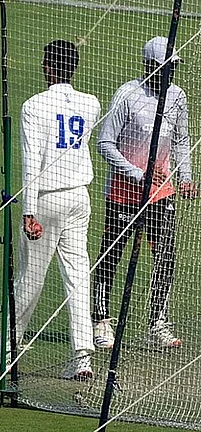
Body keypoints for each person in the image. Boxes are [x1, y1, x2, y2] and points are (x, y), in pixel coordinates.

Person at [0, 41, 100, 379]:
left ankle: (5, 349)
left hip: (45, 199)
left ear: (47, 66)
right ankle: (82, 357)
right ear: (73, 67)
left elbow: (31, 163)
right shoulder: (92, 104)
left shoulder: (33, 106)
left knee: (30, 278)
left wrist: (28, 210)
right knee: (78, 276)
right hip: (79, 198)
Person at [91, 36, 196, 350]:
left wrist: (186, 178)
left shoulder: (177, 97)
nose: (171, 74)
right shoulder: (127, 94)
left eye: (173, 68)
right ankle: (101, 320)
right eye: (166, 67)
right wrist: (139, 173)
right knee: (112, 256)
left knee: (165, 258)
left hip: (162, 194)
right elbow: (105, 143)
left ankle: (158, 323)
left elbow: (180, 141)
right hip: (124, 195)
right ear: (150, 66)